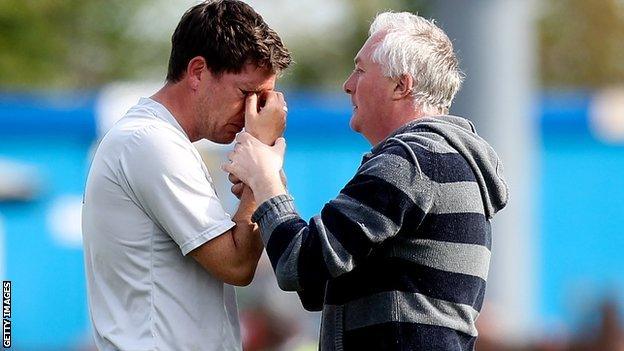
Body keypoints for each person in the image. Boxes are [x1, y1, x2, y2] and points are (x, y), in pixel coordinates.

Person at [224, 11, 509, 351]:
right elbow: (318, 285)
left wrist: (265, 178)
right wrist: (268, 180)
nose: (348, 83)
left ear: (401, 85)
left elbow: (301, 264)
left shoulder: (411, 162)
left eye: (360, 69)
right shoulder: (440, 160)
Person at [81, 1, 291, 350]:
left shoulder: (161, 141)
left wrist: (258, 176)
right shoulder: (150, 142)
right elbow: (237, 265)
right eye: (247, 94)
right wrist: (260, 159)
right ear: (197, 72)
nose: (253, 113)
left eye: (263, 99)